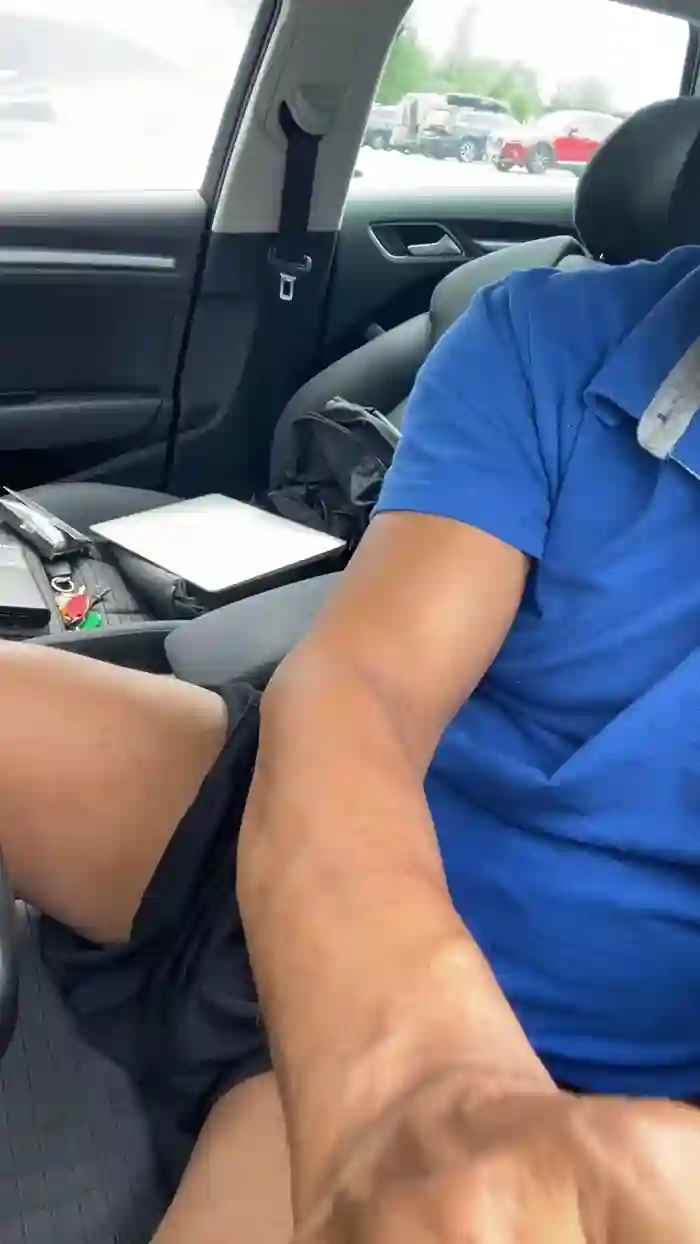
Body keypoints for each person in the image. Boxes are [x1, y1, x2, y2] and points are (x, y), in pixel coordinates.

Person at [9, 245, 700, 1244]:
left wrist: (443, 1107)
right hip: (306, 825)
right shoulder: (551, 335)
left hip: (572, 1073)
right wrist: (411, 1073)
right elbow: (362, 688)